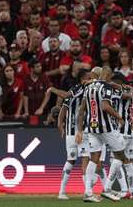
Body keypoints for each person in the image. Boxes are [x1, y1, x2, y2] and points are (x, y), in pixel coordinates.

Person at [76, 67, 131, 202]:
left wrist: (79, 130)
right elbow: (105, 106)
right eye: (111, 75)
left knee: (94, 158)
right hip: (106, 128)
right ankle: (107, 189)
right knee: (121, 155)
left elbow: (81, 110)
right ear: (108, 75)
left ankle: (88, 192)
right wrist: (119, 117)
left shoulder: (88, 88)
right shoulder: (105, 86)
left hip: (91, 128)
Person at [58, 69, 91, 200]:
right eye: (89, 77)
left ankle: (61, 191)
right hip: (79, 131)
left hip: (70, 133)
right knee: (85, 158)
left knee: (70, 160)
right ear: (84, 78)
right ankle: (88, 192)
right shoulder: (84, 90)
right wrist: (80, 130)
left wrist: (60, 124)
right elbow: (81, 112)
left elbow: (64, 108)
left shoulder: (72, 92)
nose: (91, 80)